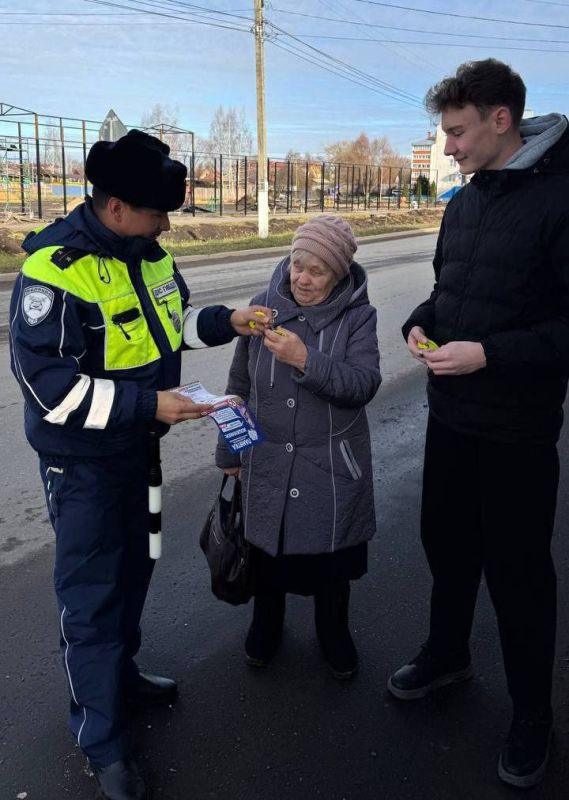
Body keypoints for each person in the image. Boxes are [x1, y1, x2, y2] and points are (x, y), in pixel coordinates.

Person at [9, 129, 270, 800]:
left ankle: (119, 677)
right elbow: (52, 391)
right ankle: (102, 741)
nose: (166, 227)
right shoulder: (53, 272)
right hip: (83, 466)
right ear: (116, 205)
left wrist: (228, 321)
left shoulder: (149, 256)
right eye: (157, 214)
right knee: (91, 596)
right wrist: (150, 404)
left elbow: (171, 324)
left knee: (135, 570)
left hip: (138, 453)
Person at [387, 59, 569, 789]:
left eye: (457, 132)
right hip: (451, 421)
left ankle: (533, 714)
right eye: (445, 135)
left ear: (501, 120)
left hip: (517, 433)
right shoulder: (463, 205)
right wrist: (419, 321)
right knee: (448, 547)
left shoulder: (559, 201)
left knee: (519, 575)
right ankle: (447, 654)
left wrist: (488, 354)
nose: (450, 147)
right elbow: (450, 293)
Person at [215, 215, 381, 679]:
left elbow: (363, 384)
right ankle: (266, 626)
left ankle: (333, 632)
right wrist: (230, 451)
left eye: (317, 271)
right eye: (297, 265)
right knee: (267, 558)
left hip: (329, 466)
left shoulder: (358, 317)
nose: (302, 278)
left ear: (338, 274)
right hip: (267, 461)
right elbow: (239, 385)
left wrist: (306, 359)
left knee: (331, 568)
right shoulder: (262, 308)